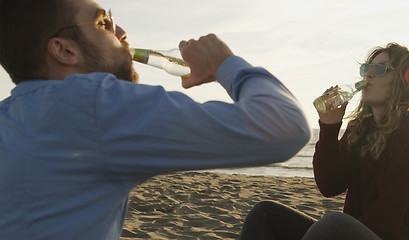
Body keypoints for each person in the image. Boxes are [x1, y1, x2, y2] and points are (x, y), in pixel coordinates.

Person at [0, 0, 311, 239]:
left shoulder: (11, 115)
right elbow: (284, 127)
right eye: (103, 23)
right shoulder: (92, 105)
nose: (121, 35)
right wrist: (225, 64)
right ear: (64, 50)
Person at [239, 43, 409, 240]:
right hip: (356, 232)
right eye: (366, 69)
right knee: (265, 213)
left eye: (380, 69)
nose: (368, 75)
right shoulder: (359, 128)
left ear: (404, 81)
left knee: (335, 223)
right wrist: (329, 126)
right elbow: (329, 185)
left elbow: (389, 214)